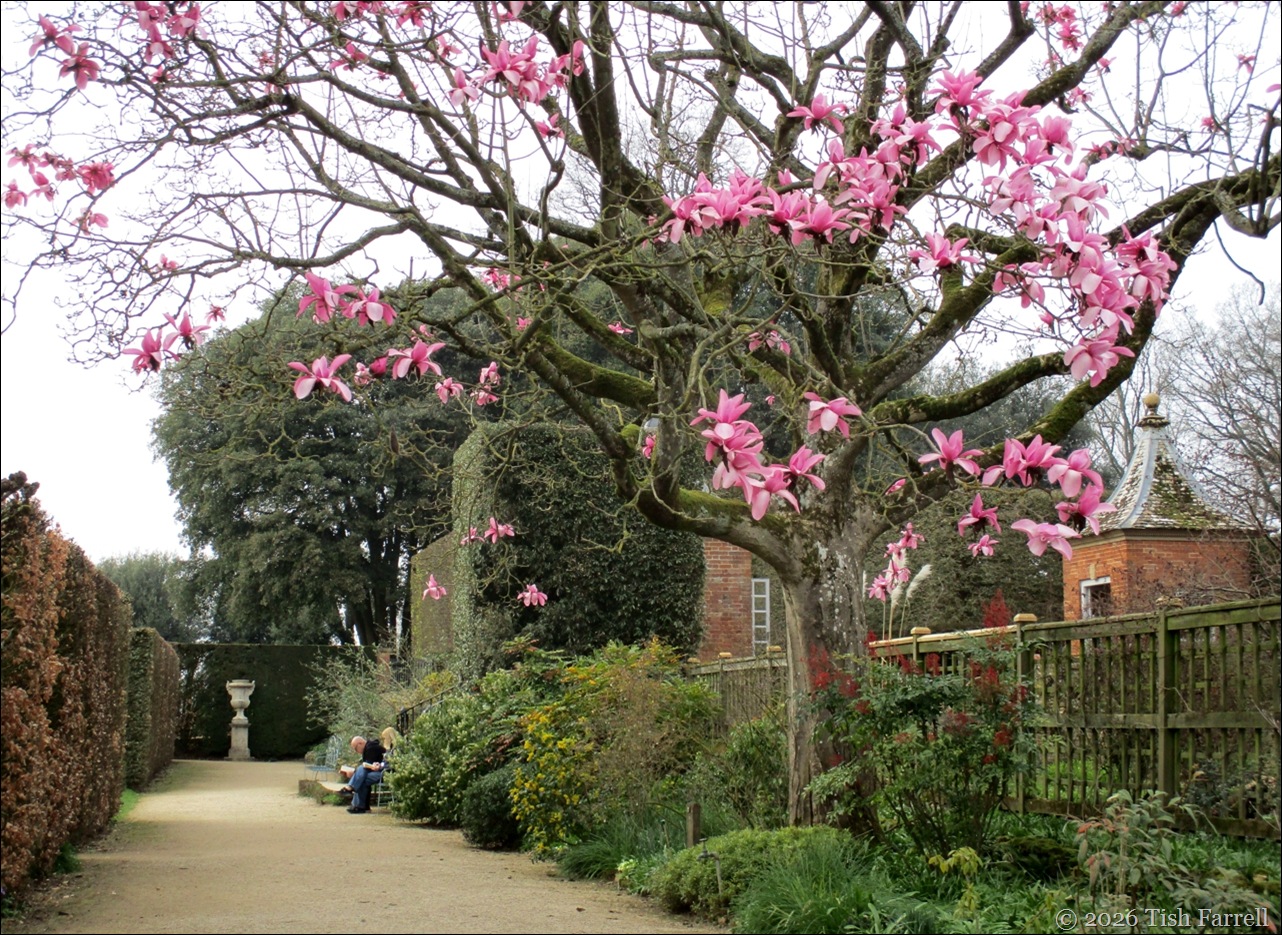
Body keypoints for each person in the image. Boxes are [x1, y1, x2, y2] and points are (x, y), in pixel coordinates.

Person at [341, 735, 386, 813]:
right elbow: (369, 767)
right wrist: (355, 772)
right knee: (362, 777)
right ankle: (362, 806)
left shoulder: (371, 748)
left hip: (384, 772)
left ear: (360, 743)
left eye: (355, 748)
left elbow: (367, 766)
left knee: (362, 777)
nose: (356, 751)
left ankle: (359, 805)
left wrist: (354, 773)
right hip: (378, 771)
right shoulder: (368, 748)